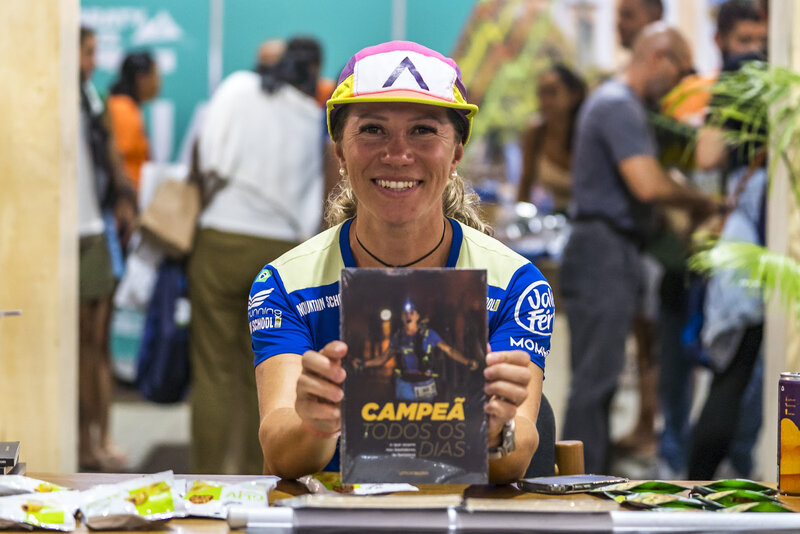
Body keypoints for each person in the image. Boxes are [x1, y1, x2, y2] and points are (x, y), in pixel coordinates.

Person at [248, 41, 554, 483]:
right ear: (339, 150)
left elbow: (518, 452)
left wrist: (491, 433)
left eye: (423, 131)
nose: (397, 154)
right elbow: (278, 452)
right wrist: (316, 421)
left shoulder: (517, 286)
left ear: (456, 154)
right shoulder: (284, 284)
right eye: (372, 129)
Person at [560, 24, 720, 475]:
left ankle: (589, 477)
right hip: (602, 250)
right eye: (682, 71)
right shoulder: (617, 105)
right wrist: (702, 202)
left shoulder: (624, 105)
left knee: (603, 379)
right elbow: (646, 184)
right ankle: (576, 487)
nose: (681, 83)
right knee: (594, 382)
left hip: (614, 251)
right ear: (660, 58)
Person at [189, 37, 325, 474]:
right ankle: (259, 477)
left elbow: (205, 158)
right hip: (283, 255)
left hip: (222, 239)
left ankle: (206, 477)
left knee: (212, 369)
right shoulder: (312, 117)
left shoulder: (237, 89)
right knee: (269, 371)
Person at [78, 26, 136, 471]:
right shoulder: (56, 97)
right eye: (88, 50)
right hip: (71, 234)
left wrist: (123, 201)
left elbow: (111, 157)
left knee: (96, 344)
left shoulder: (92, 99)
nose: (93, 60)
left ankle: (100, 435)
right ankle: (85, 439)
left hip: (94, 230)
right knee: (82, 346)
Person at [362, 300, 478, 401]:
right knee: (405, 418)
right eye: (405, 313)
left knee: (425, 419)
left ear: (417, 316)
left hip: (425, 382)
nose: (408, 315)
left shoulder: (429, 334)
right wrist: (363, 364)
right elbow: (383, 358)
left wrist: (467, 361)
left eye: (412, 312)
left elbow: (449, 350)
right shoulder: (398, 337)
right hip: (405, 384)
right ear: (401, 316)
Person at [516, 64, 587, 212]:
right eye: (541, 93)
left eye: (552, 92)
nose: (545, 100)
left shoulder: (588, 134)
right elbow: (525, 185)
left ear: (574, 95)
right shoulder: (535, 133)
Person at [107, 51, 160, 192]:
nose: (158, 83)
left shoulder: (129, 108)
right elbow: (119, 160)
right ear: (141, 78)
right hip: (126, 200)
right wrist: (127, 195)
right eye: (155, 75)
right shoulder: (122, 108)